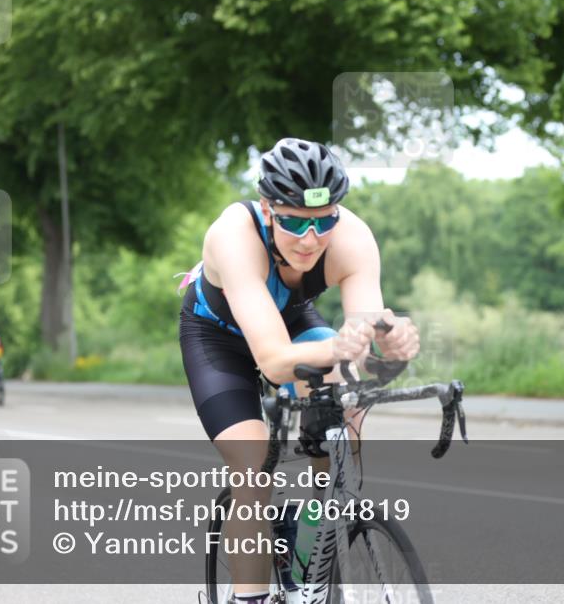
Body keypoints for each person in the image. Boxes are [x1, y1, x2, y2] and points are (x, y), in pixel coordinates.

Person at [177, 138, 420, 604]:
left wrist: (391, 348)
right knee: (253, 466)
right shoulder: (234, 235)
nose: (311, 239)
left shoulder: (352, 238)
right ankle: (249, 596)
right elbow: (271, 357)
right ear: (268, 210)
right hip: (219, 337)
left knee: (343, 421)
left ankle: (308, 546)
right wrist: (344, 346)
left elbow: (361, 349)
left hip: (290, 321)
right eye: (294, 222)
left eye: (324, 220)